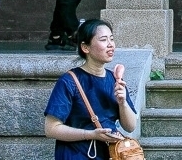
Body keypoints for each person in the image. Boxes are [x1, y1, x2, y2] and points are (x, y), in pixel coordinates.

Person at [41, 19, 140, 160]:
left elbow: (130, 126)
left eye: (111, 39)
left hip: (109, 155)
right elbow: (51, 129)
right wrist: (90, 134)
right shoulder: (69, 81)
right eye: (103, 40)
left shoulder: (114, 79)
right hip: (76, 155)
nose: (110, 44)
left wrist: (122, 102)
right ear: (85, 47)